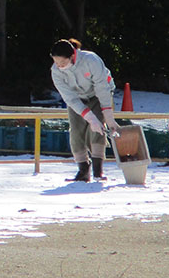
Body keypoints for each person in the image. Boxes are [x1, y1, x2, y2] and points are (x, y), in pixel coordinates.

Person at [49, 38, 118, 182]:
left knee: (97, 128)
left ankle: (98, 170)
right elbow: (70, 98)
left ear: (72, 56)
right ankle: (83, 169)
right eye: (56, 62)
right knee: (76, 130)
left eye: (62, 62)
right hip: (77, 99)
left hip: (98, 95)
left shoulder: (90, 60)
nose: (59, 66)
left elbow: (102, 88)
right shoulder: (56, 72)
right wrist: (89, 117)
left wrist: (108, 117)